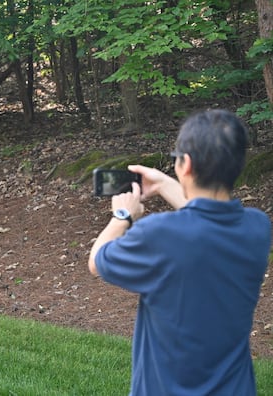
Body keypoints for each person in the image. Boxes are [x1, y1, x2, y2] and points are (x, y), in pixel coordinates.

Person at [88, 109, 271, 395]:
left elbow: (98, 261)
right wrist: (162, 184)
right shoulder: (257, 228)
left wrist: (122, 215)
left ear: (185, 164)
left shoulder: (159, 233)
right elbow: (206, 221)